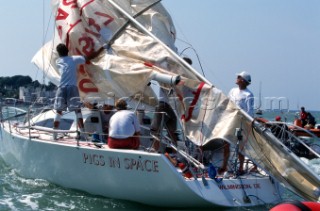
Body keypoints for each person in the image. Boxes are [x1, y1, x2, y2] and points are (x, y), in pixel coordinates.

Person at [53, 43, 104, 140]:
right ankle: (83, 133)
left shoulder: (58, 61)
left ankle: (54, 133)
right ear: (67, 51)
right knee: (77, 110)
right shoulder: (73, 59)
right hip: (72, 87)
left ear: (59, 53)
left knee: (59, 111)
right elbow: (90, 57)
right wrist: (102, 48)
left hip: (61, 87)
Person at [219, 71, 255, 175]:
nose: (236, 78)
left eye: (238, 77)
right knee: (226, 143)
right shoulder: (232, 91)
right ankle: (224, 166)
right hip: (230, 120)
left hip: (240, 122)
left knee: (240, 145)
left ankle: (241, 168)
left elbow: (250, 111)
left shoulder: (248, 94)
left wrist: (248, 123)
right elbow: (228, 103)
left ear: (243, 80)